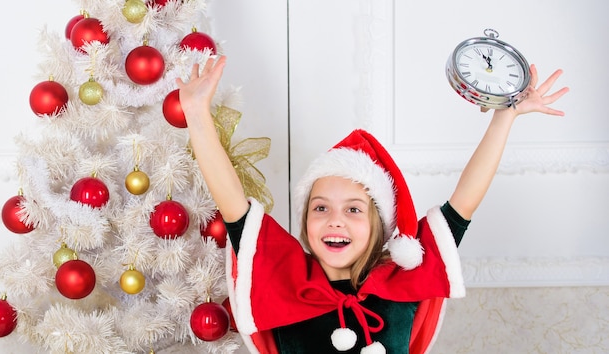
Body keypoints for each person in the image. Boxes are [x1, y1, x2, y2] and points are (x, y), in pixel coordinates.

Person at [176, 56, 568, 354]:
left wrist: (505, 118)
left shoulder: (404, 276)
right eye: (320, 208)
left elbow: (464, 202)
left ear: (378, 223)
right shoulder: (285, 278)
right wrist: (196, 114)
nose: (335, 221)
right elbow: (233, 205)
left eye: (353, 209)